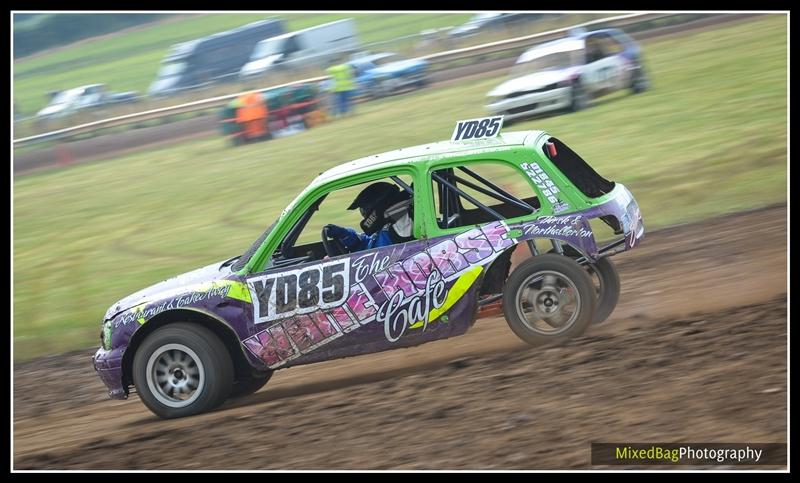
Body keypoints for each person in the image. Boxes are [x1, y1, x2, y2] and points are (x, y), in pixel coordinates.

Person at [325, 182, 414, 253]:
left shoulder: (401, 226)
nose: (363, 216)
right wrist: (345, 234)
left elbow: (399, 207)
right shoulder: (381, 228)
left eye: (363, 211)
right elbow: (364, 241)